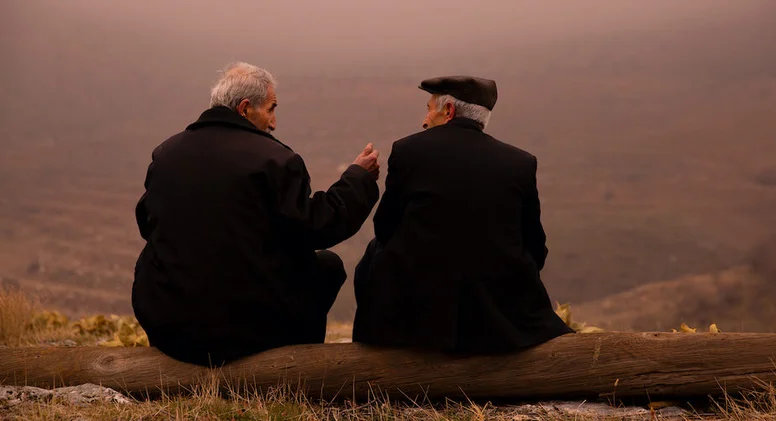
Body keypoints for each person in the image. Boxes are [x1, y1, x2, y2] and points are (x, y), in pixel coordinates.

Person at [132, 62, 380, 366]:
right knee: (327, 266)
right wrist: (358, 178)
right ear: (246, 108)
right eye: (271, 109)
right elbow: (317, 227)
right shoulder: (275, 160)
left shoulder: (166, 154)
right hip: (244, 333)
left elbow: (147, 223)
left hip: (170, 327)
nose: (273, 123)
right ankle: (296, 365)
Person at [352, 76, 573, 354]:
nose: (424, 121)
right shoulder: (521, 162)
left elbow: (385, 227)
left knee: (373, 251)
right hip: (499, 322)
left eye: (429, 109)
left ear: (449, 111)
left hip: (421, 318)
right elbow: (535, 246)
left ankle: (371, 340)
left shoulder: (408, 150)